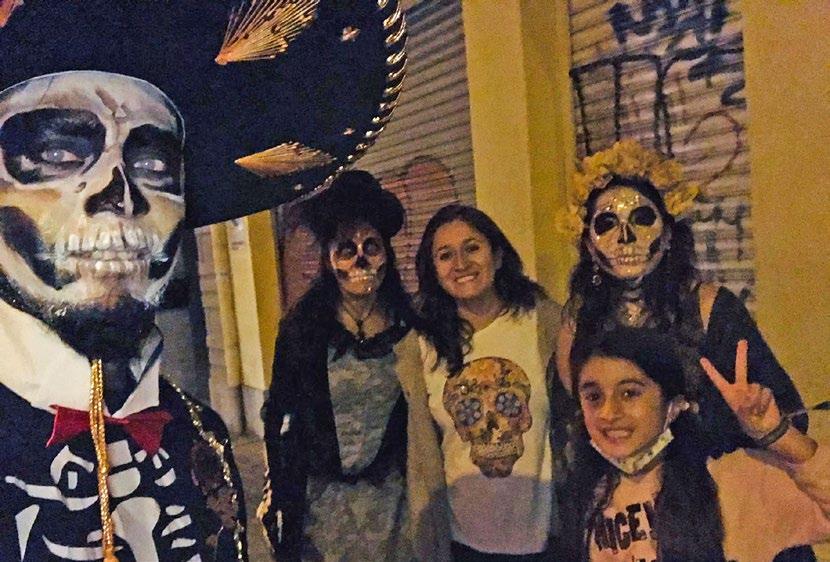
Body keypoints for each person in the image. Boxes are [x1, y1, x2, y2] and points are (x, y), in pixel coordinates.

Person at [555, 139, 806, 460]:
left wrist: (759, 424)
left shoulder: (710, 308)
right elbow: (571, 424)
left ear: (669, 234)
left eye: (642, 219)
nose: (625, 238)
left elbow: (791, 417)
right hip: (619, 487)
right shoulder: (579, 317)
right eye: (607, 224)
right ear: (589, 245)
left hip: (705, 483)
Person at [259, 170, 444, 561]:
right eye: (346, 249)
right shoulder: (301, 329)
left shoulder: (409, 328)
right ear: (329, 260)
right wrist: (280, 495)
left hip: (394, 510)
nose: (361, 260)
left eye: (371, 246)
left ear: (386, 255)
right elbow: (277, 414)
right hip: (322, 512)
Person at [560, 328, 830, 562]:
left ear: (674, 405)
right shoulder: (588, 495)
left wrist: (778, 435)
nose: (608, 413)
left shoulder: (732, 478)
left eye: (629, 393)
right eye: (593, 397)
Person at [414, 204, 561, 561]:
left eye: (472, 248)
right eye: (445, 255)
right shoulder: (421, 343)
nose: (461, 263)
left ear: (497, 255)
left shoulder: (543, 322)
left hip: (545, 539)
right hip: (460, 542)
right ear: (433, 271)